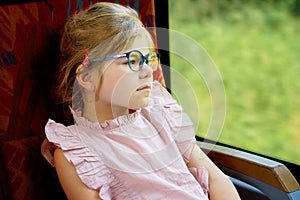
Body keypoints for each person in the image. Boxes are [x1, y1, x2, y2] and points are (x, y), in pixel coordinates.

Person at [41, 2, 240, 200]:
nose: (148, 71)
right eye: (131, 61)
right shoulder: (76, 154)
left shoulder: (160, 110)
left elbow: (215, 180)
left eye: (148, 59)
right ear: (87, 78)